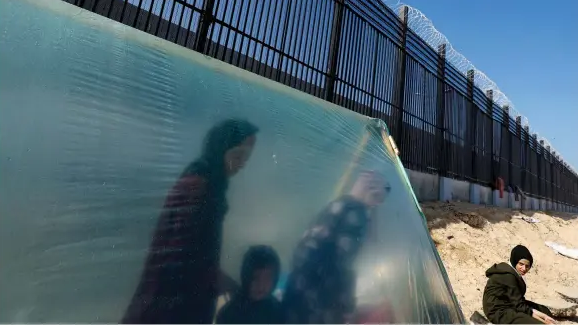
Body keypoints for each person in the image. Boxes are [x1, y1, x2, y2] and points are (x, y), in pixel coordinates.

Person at [122, 119, 259, 324]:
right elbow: (186, 261)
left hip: (171, 303)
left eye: (246, 159)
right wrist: (229, 286)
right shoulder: (199, 188)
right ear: (221, 149)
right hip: (171, 307)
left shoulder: (206, 183)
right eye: (238, 155)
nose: (242, 165)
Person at [282, 171, 389, 324]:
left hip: (297, 296)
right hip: (317, 304)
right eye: (378, 198)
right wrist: (347, 307)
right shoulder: (355, 214)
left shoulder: (337, 206)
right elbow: (341, 264)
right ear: (369, 189)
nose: (377, 204)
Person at [482, 245, 556, 324]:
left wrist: (544, 315)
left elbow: (518, 302)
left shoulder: (513, 272)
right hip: (498, 312)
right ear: (515, 261)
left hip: (510, 304)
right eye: (521, 264)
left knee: (544, 311)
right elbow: (519, 306)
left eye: (527, 266)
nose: (524, 269)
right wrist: (543, 321)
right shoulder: (508, 276)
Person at [216, 245, 285, 324]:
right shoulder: (227, 314)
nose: (261, 285)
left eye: (267, 278)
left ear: (275, 279)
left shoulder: (279, 311)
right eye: (255, 278)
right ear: (246, 277)